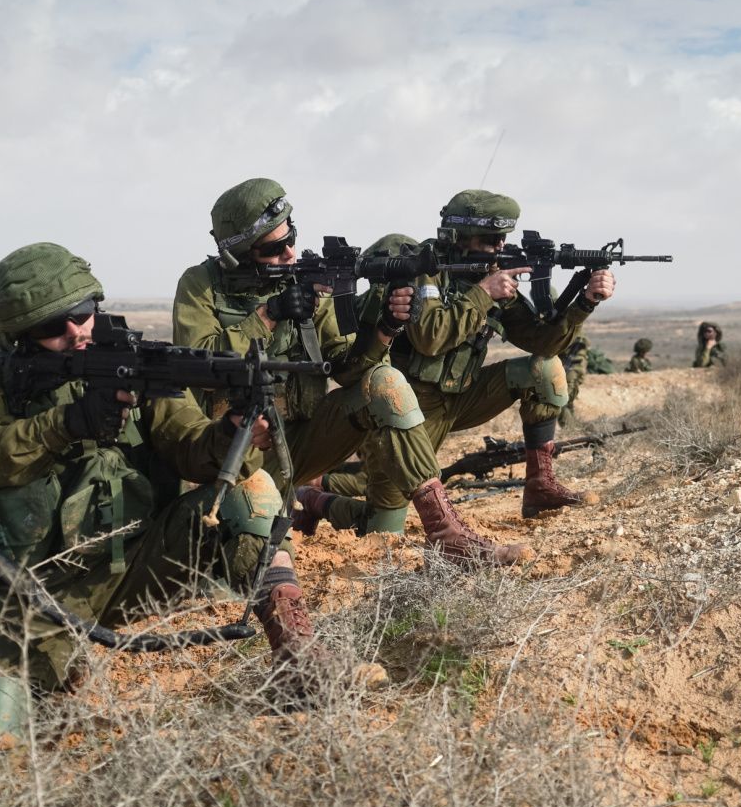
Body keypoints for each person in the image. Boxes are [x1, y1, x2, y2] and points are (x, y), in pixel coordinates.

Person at [0, 243, 375, 753]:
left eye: (83, 313)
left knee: (249, 488)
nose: (76, 331)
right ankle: (56, 662)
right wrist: (67, 422)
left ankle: (298, 656)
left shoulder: (135, 366)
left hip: (140, 563)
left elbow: (189, 445)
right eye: (54, 327)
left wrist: (230, 436)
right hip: (35, 589)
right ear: (18, 337)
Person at [173, 180, 526, 566]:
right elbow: (200, 364)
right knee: (254, 565)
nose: (289, 252)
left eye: (291, 238)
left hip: (301, 443)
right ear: (239, 254)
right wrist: (269, 314)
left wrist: (384, 329)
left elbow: (346, 369)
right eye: (274, 248)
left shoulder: (304, 283)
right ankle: (306, 502)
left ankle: (447, 533)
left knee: (384, 381)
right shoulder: (200, 285)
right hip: (234, 453)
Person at [321, 188, 615, 522]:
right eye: (490, 239)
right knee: (383, 526)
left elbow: (542, 342)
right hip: (406, 411)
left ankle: (540, 488)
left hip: (462, 397)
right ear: (460, 236)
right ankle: (314, 499)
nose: (499, 246)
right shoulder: (423, 266)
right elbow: (430, 339)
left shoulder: (487, 275)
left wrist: (585, 302)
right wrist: (484, 293)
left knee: (545, 370)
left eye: (503, 238)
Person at [558, 335, 590, 426]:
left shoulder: (564, 331)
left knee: (561, 401)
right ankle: (575, 426)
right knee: (569, 400)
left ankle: (569, 428)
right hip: (581, 364)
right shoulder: (581, 334)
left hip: (571, 365)